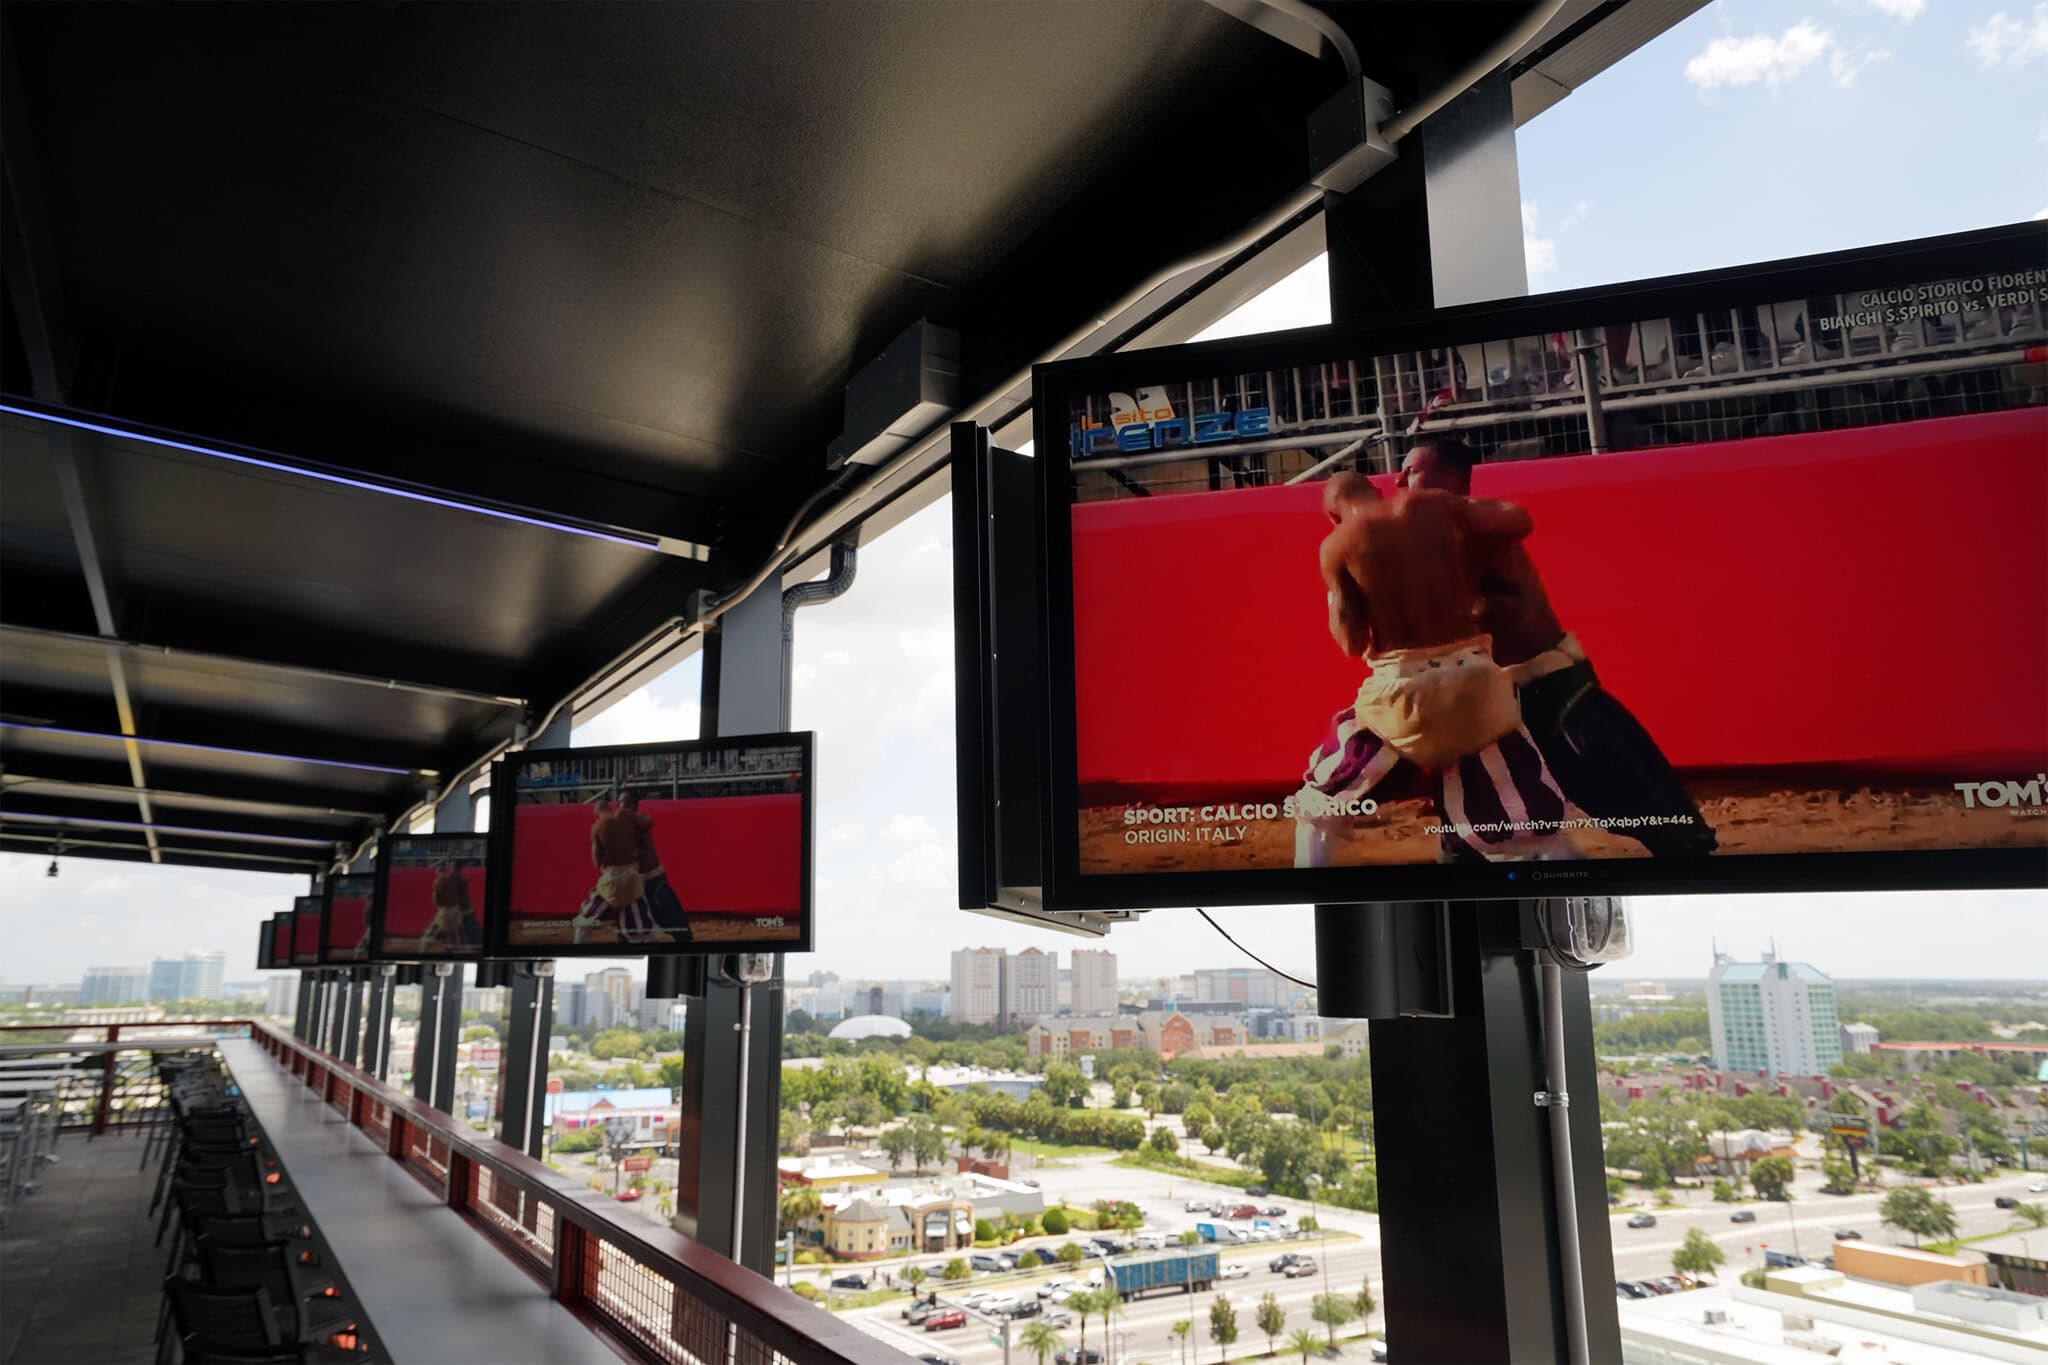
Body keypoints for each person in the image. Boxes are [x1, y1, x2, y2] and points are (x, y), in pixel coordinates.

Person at [1396, 439, 1716, 857]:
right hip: (1492, 699)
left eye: (1411, 471)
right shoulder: (1429, 536)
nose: (1399, 480)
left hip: (1547, 690)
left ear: (1450, 479)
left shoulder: (1481, 523)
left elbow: (1518, 519)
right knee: (1466, 823)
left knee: (1639, 808)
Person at [1305, 471, 1577, 862]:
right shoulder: (1429, 504)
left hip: (1402, 702)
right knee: (1530, 822)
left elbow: (1351, 643)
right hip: (1477, 686)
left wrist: (1335, 601)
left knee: (1316, 810)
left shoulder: (1336, 546)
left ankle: (1311, 884)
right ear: (1378, 490)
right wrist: (1459, 532)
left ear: (1334, 515)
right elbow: (1519, 519)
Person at [571, 789, 659, 944]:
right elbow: (649, 822)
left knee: (584, 921)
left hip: (611, 881)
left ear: (597, 813)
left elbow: (597, 862)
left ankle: (576, 949)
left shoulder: (596, 827)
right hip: (631, 879)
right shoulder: (627, 815)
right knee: (640, 929)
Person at [622, 789, 692, 942]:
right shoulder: (623, 824)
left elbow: (648, 821)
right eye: (619, 802)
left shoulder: (638, 820)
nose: (620, 805)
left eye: (624, 802)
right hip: (638, 882)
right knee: (639, 919)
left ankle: (685, 939)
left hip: (653, 878)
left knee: (669, 915)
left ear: (633, 804)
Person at [425, 859, 481, 949]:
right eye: (450, 868)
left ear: (457, 869)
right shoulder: (455, 878)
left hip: (464, 914)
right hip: (458, 914)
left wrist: (439, 871)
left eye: (452, 868)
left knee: (475, 942)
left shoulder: (459, 879)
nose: (451, 870)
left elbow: (448, 881)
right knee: (457, 939)